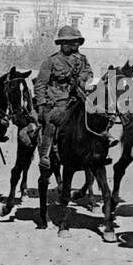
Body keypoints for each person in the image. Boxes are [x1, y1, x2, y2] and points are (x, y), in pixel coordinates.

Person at [35, 25, 92, 170]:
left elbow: (89, 74)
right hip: (57, 98)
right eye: (65, 42)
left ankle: (99, 148)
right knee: (55, 117)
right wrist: (41, 104)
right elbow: (41, 83)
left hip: (78, 96)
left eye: (72, 42)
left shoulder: (82, 60)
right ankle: (45, 154)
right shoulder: (52, 61)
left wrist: (84, 79)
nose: (69, 45)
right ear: (60, 44)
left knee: (96, 113)